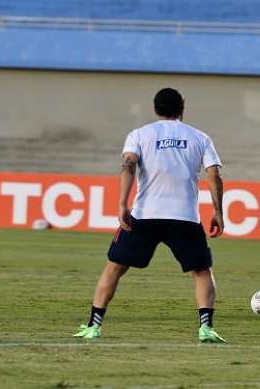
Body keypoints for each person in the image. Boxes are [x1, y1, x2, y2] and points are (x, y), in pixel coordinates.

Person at [73, 87, 227, 343]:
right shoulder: (200, 137)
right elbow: (214, 175)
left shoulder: (139, 135)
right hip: (185, 217)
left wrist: (122, 204)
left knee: (114, 268)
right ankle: (206, 328)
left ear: (155, 109)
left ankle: (94, 326)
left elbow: (128, 165)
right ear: (182, 109)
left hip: (145, 215)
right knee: (201, 271)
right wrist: (218, 211)